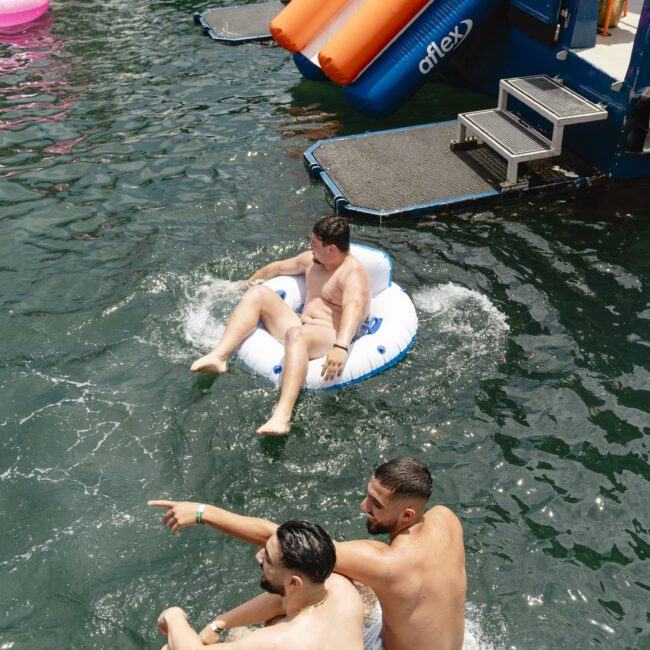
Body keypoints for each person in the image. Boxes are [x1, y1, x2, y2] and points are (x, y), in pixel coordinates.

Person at [150, 458, 467, 650]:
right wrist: (217, 625)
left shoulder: (386, 564)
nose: (364, 507)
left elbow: (287, 544)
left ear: (408, 515)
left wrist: (205, 512)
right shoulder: (445, 518)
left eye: (376, 504)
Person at [190, 216, 371, 436]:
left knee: (297, 335)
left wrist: (341, 346)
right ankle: (219, 357)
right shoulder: (312, 261)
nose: (309, 246)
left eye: (314, 243)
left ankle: (283, 416)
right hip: (303, 324)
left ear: (331, 248)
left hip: (331, 334)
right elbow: (276, 269)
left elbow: (352, 308)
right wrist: (243, 283)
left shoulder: (353, 275)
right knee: (257, 293)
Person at [156, 520, 364, 650]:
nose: (259, 557)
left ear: (294, 582)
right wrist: (219, 624)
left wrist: (173, 615)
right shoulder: (340, 587)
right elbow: (282, 601)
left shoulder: (280, 640)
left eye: (269, 560)